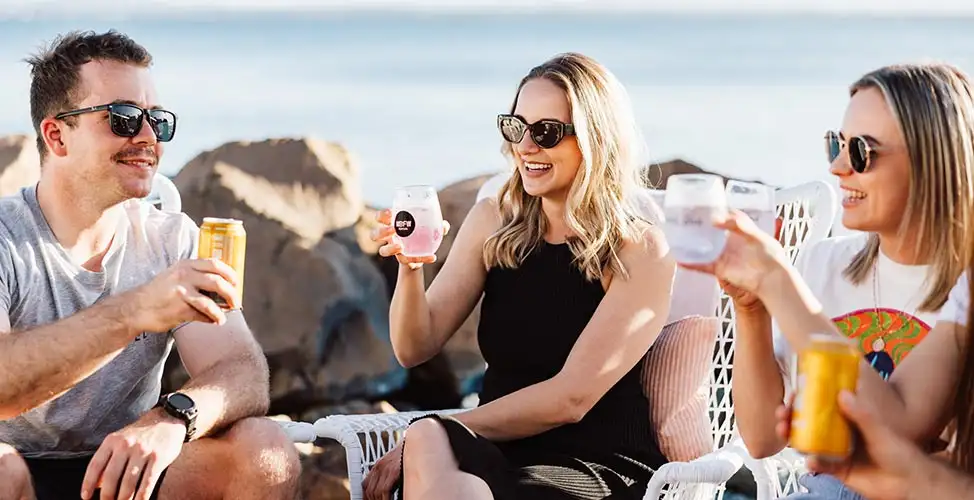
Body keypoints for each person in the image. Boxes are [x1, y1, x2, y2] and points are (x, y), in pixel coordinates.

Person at [0, 30, 300, 500]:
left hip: (125, 470)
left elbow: (241, 369)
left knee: (263, 448)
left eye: (156, 121)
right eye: (122, 119)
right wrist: (135, 312)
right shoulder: (5, 239)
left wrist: (174, 417)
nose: (146, 138)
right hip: (15, 473)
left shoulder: (171, 238)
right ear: (57, 135)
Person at [364, 52, 676, 499]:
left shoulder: (639, 250)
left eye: (546, 133)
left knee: (432, 438)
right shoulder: (494, 222)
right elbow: (413, 347)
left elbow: (571, 400)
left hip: (592, 465)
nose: (525, 147)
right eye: (515, 127)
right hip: (499, 449)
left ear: (595, 140)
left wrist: (438, 425)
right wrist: (410, 268)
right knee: (430, 442)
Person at [725, 62, 974, 498]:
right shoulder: (824, 263)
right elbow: (762, 439)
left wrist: (776, 280)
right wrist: (752, 309)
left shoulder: (962, 288)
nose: (839, 167)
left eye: (862, 151)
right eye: (836, 145)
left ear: (931, 162)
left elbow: (902, 436)